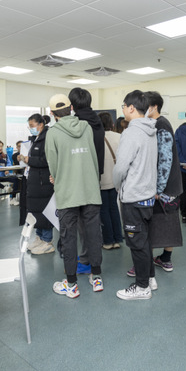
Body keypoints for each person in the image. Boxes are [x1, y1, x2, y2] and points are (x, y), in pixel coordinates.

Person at [45, 94, 103, 298]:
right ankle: (97, 278)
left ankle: (71, 285)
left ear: (52, 113)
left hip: (67, 192)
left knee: (68, 237)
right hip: (90, 189)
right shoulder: (86, 127)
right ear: (71, 108)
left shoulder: (53, 133)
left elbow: (53, 164)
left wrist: (56, 178)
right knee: (93, 234)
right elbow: (93, 156)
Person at [114, 90, 158, 300]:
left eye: (123, 106)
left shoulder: (131, 133)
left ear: (131, 108)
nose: (123, 109)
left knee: (137, 244)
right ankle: (150, 278)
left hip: (133, 196)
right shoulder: (151, 130)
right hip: (148, 195)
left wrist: (117, 187)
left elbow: (120, 167)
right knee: (145, 240)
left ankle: (142, 288)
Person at [144, 91, 182, 276]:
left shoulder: (161, 125)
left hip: (165, 189)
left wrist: (158, 189)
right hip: (170, 186)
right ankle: (165, 259)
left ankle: (148, 264)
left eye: (144, 105)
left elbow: (165, 160)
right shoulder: (158, 124)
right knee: (167, 224)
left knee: (156, 226)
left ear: (153, 107)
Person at [70, 87, 106, 271]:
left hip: (79, 176)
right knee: (91, 221)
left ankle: (85, 261)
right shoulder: (97, 121)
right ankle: (92, 259)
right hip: (95, 175)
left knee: (82, 224)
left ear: (72, 105)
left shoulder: (77, 124)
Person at [19, 114, 55, 254]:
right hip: (34, 181)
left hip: (43, 182)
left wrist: (29, 160)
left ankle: (47, 241)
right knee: (35, 212)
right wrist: (23, 158)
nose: (31, 128)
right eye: (29, 126)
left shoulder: (48, 138)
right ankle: (39, 237)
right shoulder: (36, 139)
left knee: (44, 212)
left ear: (41, 124)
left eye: (32, 126)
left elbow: (47, 160)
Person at [98, 112, 123, 250]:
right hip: (116, 179)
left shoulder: (96, 138)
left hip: (101, 179)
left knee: (104, 210)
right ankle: (117, 239)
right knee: (114, 208)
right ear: (111, 123)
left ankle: (108, 241)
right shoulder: (119, 137)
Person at [0, 140, 20, 206]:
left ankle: (13, 199)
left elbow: (9, 163)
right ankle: (4, 188)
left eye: (1, 146)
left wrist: (7, 169)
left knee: (16, 179)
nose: (0, 148)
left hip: (5, 176)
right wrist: (3, 169)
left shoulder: (5, 156)